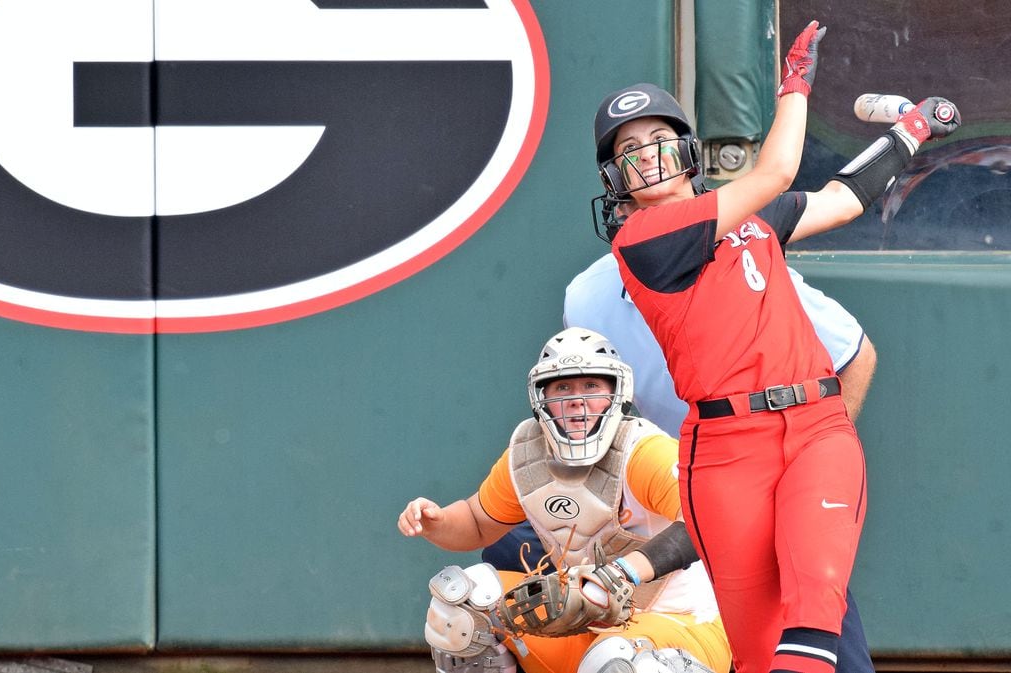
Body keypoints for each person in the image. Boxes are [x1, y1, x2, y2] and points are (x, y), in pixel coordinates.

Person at [590, 19, 960, 673]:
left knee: (815, 613)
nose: (645, 152)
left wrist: (911, 134)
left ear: (686, 150)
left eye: (657, 137)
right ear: (615, 177)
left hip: (816, 426)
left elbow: (842, 200)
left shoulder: (747, 216)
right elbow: (778, 168)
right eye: (629, 146)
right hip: (725, 454)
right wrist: (794, 84)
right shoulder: (643, 237)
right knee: (761, 657)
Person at [486, 254, 877, 673]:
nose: (650, 218)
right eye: (632, 202)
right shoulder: (590, 295)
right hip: (639, 488)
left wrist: (800, 475)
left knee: (815, 620)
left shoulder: (752, 267)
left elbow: (856, 357)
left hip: (747, 488)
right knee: (496, 568)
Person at [399, 328, 730, 673]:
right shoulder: (527, 455)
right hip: (585, 624)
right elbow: (477, 522)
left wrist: (621, 574)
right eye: (562, 388)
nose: (576, 400)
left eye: (591, 386)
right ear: (540, 397)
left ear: (617, 393)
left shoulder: (643, 450)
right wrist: (436, 522)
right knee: (463, 603)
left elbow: (708, 520)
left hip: (681, 624)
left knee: (618, 661)